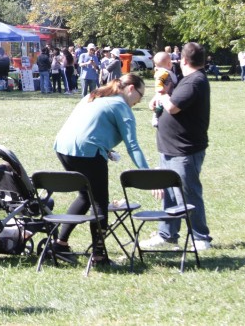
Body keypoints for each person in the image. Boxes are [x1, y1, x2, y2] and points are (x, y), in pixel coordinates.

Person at [51, 73, 149, 263]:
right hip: (87, 152)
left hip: (63, 148)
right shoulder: (121, 106)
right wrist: (148, 175)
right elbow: (133, 146)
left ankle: (60, 244)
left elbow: (87, 125)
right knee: (99, 202)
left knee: (85, 196)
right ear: (130, 89)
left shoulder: (94, 95)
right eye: (140, 95)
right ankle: (99, 255)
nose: (139, 100)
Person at [142, 41, 214, 250]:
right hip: (171, 146)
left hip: (185, 148)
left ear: (182, 60)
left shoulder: (194, 81)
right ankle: (167, 234)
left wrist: (163, 96)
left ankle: (200, 238)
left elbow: (173, 107)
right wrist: (158, 98)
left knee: (188, 193)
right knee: (170, 192)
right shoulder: (188, 80)